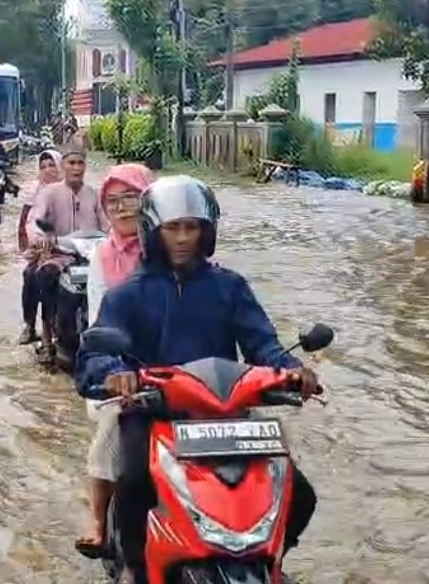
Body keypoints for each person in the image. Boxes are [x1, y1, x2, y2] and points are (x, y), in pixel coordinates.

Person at [75, 175, 320, 573]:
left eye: (192, 227)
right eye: (174, 228)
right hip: (154, 414)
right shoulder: (128, 294)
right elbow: (95, 357)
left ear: (207, 232)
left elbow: (263, 344)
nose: (184, 237)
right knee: (135, 483)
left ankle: (267, 561)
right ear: (155, 231)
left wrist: (292, 370)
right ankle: (137, 570)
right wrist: (116, 374)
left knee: (300, 494)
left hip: (225, 416)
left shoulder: (230, 287)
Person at [71, 163, 154, 556]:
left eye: (131, 199)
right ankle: (101, 524)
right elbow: (99, 317)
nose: (122, 209)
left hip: (179, 368)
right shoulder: (104, 255)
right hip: (119, 368)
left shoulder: (173, 246)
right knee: (111, 434)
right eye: (113, 202)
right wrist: (118, 371)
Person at [25, 150, 107, 363]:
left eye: (80, 163)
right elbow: (36, 220)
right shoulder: (49, 193)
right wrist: (41, 238)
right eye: (71, 163)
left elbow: (106, 224)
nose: (76, 168)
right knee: (44, 275)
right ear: (63, 166)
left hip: (90, 255)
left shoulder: (93, 194)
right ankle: (47, 339)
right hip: (59, 253)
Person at [17, 150, 63, 344]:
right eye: (43, 166)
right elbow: (25, 220)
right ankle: (30, 326)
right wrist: (28, 246)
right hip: (39, 250)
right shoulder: (35, 190)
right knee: (30, 276)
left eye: (52, 165)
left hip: (66, 250)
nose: (47, 170)